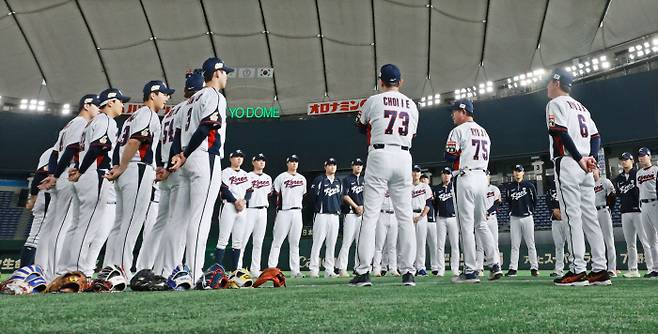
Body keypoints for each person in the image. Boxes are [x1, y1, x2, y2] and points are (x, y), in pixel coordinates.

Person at [350, 64, 419, 287]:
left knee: (370, 216)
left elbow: (360, 126)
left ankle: (363, 272)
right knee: (405, 217)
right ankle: (408, 272)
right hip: (404, 156)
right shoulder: (412, 104)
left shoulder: (374, 100)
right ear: (400, 82)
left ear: (381, 82)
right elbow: (413, 133)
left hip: (380, 154)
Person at [169, 57, 232, 284]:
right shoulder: (214, 96)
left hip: (187, 159)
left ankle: (175, 269)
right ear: (216, 73)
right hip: (204, 157)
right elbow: (208, 126)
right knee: (200, 217)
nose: (226, 76)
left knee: (180, 218)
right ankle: (195, 274)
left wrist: (179, 154)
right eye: (224, 72)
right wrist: (184, 155)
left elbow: (176, 134)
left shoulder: (190, 100)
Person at [546, 68, 610, 286]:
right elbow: (596, 136)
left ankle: (578, 270)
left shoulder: (555, 104)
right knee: (590, 217)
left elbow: (560, 133)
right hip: (585, 167)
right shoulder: (581, 107)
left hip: (569, 162)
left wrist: (579, 158)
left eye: (549, 82)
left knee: (572, 216)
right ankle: (600, 270)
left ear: (556, 83)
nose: (547, 86)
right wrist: (590, 158)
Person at [104, 81, 170, 279]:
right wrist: (122, 166)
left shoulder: (132, 117)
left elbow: (119, 146)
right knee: (131, 224)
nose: (167, 98)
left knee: (119, 224)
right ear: (153, 95)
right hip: (137, 170)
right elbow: (134, 141)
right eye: (164, 94)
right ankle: (123, 270)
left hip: (130, 170)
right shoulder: (147, 114)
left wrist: (118, 166)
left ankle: (109, 268)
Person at [34, 93, 98, 279]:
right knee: (62, 226)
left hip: (60, 176)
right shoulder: (80, 124)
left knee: (50, 226)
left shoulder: (68, 124)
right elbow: (69, 150)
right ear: (86, 105)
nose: (98, 110)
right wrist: (57, 175)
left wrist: (53, 174)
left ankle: (41, 270)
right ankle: (55, 275)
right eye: (95, 106)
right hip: (68, 175)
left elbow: (54, 154)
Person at [151, 70, 204, 277]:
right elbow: (179, 139)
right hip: (179, 166)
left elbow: (164, 141)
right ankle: (175, 268)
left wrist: (162, 164)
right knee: (183, 220)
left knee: (165, 222)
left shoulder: (171, 111)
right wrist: (172, 162)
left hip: (167, 166)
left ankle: (158, 267)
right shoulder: (192, 106)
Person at [444, 99, 503, 283]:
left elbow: (449, 156)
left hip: (466, 176)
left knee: (466, 227)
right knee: (482, 224)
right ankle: (495, 264)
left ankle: (470, 271)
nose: (452, 115)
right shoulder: (484, 132)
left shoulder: (458, 130)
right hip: (482, 179)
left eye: (454, 111)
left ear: (463, 111)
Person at [613, 152, 654, 278]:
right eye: (622, 160)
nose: (623, 162)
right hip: (625, 212)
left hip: (639, 211)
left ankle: (652, 268)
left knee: (645, 241)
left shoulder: (638, 174)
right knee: (630, 243)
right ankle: (633, 269)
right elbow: (618, 194)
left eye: (626, 159)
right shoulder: (618, 179)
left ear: (632, 161)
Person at [267, 155, 307, 278]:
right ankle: (272, 269)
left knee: (295, 243)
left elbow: (303, 195)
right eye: (292, 162)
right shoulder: (281, 177)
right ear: (287, 163)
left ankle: (295, 271)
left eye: (296, 161)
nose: (294, 164)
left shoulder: (302, 178)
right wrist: (279, 208)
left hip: (297, 212)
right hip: (284, 212)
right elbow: (273, 194)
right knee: (277, 242)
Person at [215, 150, 253, 270]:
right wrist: (235, 201)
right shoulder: (225, 172)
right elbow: (224, 189)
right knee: (223, 240)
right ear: (231, 159)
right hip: (229, 206)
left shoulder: (245, 174)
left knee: (238, 242)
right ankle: (218, 268)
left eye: (241, 157)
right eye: (236, 157)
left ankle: (234, 270)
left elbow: (249, 191)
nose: (239, 159)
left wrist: (244, 201)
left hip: (242, 208)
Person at [238, 153, 273, 277]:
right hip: (250, 210)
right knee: (243, 240)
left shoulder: (268, 178)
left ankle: (255, 269)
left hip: (263, 210)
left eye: (263, 160)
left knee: (258, 241)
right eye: (258, 160)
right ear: (253, 162)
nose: (261, 162)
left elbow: (269, 194)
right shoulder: (247, 176)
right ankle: (238, 268)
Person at [308, 158, 342, 278]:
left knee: (331, 244)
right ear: (325, 167)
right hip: (322, 215)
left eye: (334, 165)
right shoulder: (320, 179)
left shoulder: (338, 181)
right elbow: (312, 197)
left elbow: (339, 197)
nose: (332, 167)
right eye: (329, 165)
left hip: (334, 215)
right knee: (317, 243)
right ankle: (313, 269)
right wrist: (318, 208)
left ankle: (329, 270)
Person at [505, 165, 539, 277]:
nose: (517, 173)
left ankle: (534, 268)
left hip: (527, 217)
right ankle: (513, 268)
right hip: (514, 218)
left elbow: (535, 200)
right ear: (513, 173)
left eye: (519, 171)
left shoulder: (529, 186)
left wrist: (530, 211)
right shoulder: (509, 187)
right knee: (515, 245)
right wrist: (511, 211)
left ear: (523, 173)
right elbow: (508, 202)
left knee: (531, 244)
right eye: (516, 171)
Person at [21, 148, 54, 266]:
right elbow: (40, 175)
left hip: (54, 197)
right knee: (35, 237)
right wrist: (33, 197)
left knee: (47, 238)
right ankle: (23, 273)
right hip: (46, 195)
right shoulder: (51, 152)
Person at [336, 158, 365, 277]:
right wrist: (356, 206)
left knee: (360, 242)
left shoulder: (364, 180)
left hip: (362, 214)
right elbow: (345, 196)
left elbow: (368, 195)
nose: (358, 167)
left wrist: (363, 207)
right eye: (356, 165)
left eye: (360, 165)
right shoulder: (347, 179)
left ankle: (358, 268)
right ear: (352, 166)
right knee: (347, 241)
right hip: (350, 214)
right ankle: (342, 268)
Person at [433, 167, 460, 277]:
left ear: (450, 175)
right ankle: (441, 269)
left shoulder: (455, 187)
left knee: (455, 245)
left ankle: (455, 269)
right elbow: (434, 205)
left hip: (453, 218)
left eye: (448, 173)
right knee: (440, 245)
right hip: (441, 218)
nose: (446, 175)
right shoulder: (436, 189)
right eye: (444, 174)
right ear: (441, 175)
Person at [636, 147, 658, 278]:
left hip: (655, 203)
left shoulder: (656, 170)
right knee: (651, 239)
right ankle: (655, 268)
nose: (641, 158)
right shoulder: (638, 173)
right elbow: (640, 190)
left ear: (649, 156)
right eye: (639, 156)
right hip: (644, 205)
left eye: (643, 155)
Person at [593, 166, 618, 277]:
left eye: (594, 169)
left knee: (609, 240)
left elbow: (613, 196)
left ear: (598, 170)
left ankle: (612, 268)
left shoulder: (605, 181)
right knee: (597, 242)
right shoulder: (588, 185)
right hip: (593, 213)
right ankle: (600, 267)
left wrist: (609, 209)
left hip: (603, 210)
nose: (592, 172)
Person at [476, 171, 501, 275]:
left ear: (489, 176)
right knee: (480, 246)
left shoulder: (494, 189)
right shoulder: (477, 190)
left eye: (486, 175)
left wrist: (487, 212)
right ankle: (479, 268)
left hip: (491, 218)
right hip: (480, 219)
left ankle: (497, 266)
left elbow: (497, 203)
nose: (485, 177)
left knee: (494, 243)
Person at [411, 165, 432, 276]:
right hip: (409, 216)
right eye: (414, 171)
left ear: (420, 174)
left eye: (418, 172)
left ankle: (421, 267)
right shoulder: (407, 186)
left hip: (421, 216)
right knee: (410, 243)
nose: (416, 174)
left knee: (421, 242)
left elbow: (429, 204)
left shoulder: (425, 186)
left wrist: (421, 216)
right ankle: (412, 267)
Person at [372, 191, 398, 277]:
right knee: (379, 245)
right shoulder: (381, 186)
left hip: (394, 215)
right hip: (382, 214)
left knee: (392, 246)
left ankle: (393, 269)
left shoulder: (395, 186)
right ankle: (376, 268)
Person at [420, 174, 441, 276]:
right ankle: (420, 267)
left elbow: (438, 204)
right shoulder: (419, 192)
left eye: (425, 178)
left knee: (434, 245)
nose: (424, 180)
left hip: (432, 221)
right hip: (421, 219)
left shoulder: (433, 191)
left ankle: (435, 267)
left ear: (429, 180)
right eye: (422, 179)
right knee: (421, 244)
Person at [548, 181, 568, 277]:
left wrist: (564, 212)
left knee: (572, 245)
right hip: (556, 220)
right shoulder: (552, 185)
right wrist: (554, 210)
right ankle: (559, 269)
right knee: (559, 246)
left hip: (568, 218)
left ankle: (575, 267)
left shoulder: (569, 182)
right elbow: (548, 200)